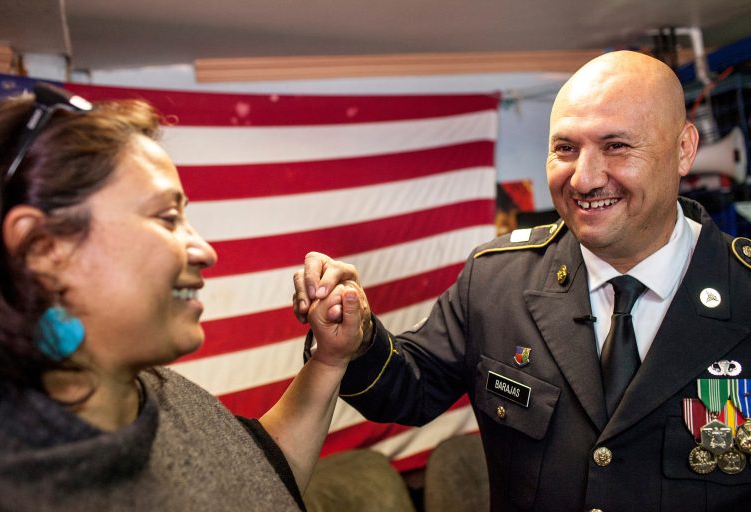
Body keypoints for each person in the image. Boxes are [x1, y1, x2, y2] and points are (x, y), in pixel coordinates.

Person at [293, 50, 751, 511]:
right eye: (566, 149)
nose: (585, 179)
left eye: (616, 146)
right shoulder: (497, 279)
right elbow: (408, 389)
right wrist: (356, 337)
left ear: (684, 150)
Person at [0, 83, 366, 511]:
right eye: (168, 217)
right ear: (43, 249)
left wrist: (330, 359)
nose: (205, 250)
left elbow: (258, 480)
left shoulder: (159, 389)